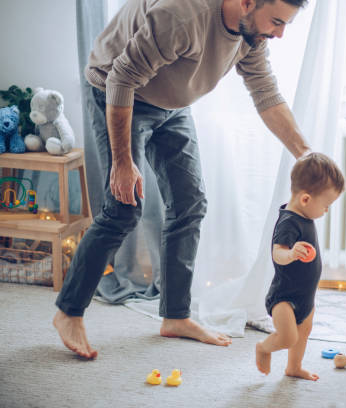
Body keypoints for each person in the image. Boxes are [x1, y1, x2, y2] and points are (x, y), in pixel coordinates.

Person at [53, 0, 311, 359]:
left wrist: (306, 153)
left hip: (170, 106)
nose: (280, 34)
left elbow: (266, 94)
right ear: (248, 2)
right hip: (118, 93)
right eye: (278, 22)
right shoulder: (183, 14)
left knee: (190, 204)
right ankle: (69, 311)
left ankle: (175, 316)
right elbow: (122, 77)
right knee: (124, 207)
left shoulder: (251, 34)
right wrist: (123, 163)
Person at [255, 152, 345, 381]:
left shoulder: (305, 217)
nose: (326, 211)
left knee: (303, 333)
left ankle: (293, 367)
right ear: (305, 199)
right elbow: (277, 253)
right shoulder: (288, 221)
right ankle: (264, 348)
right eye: (326, 205)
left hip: (305, 295)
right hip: (284, 297)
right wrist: (291, 253)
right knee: (288, 338)